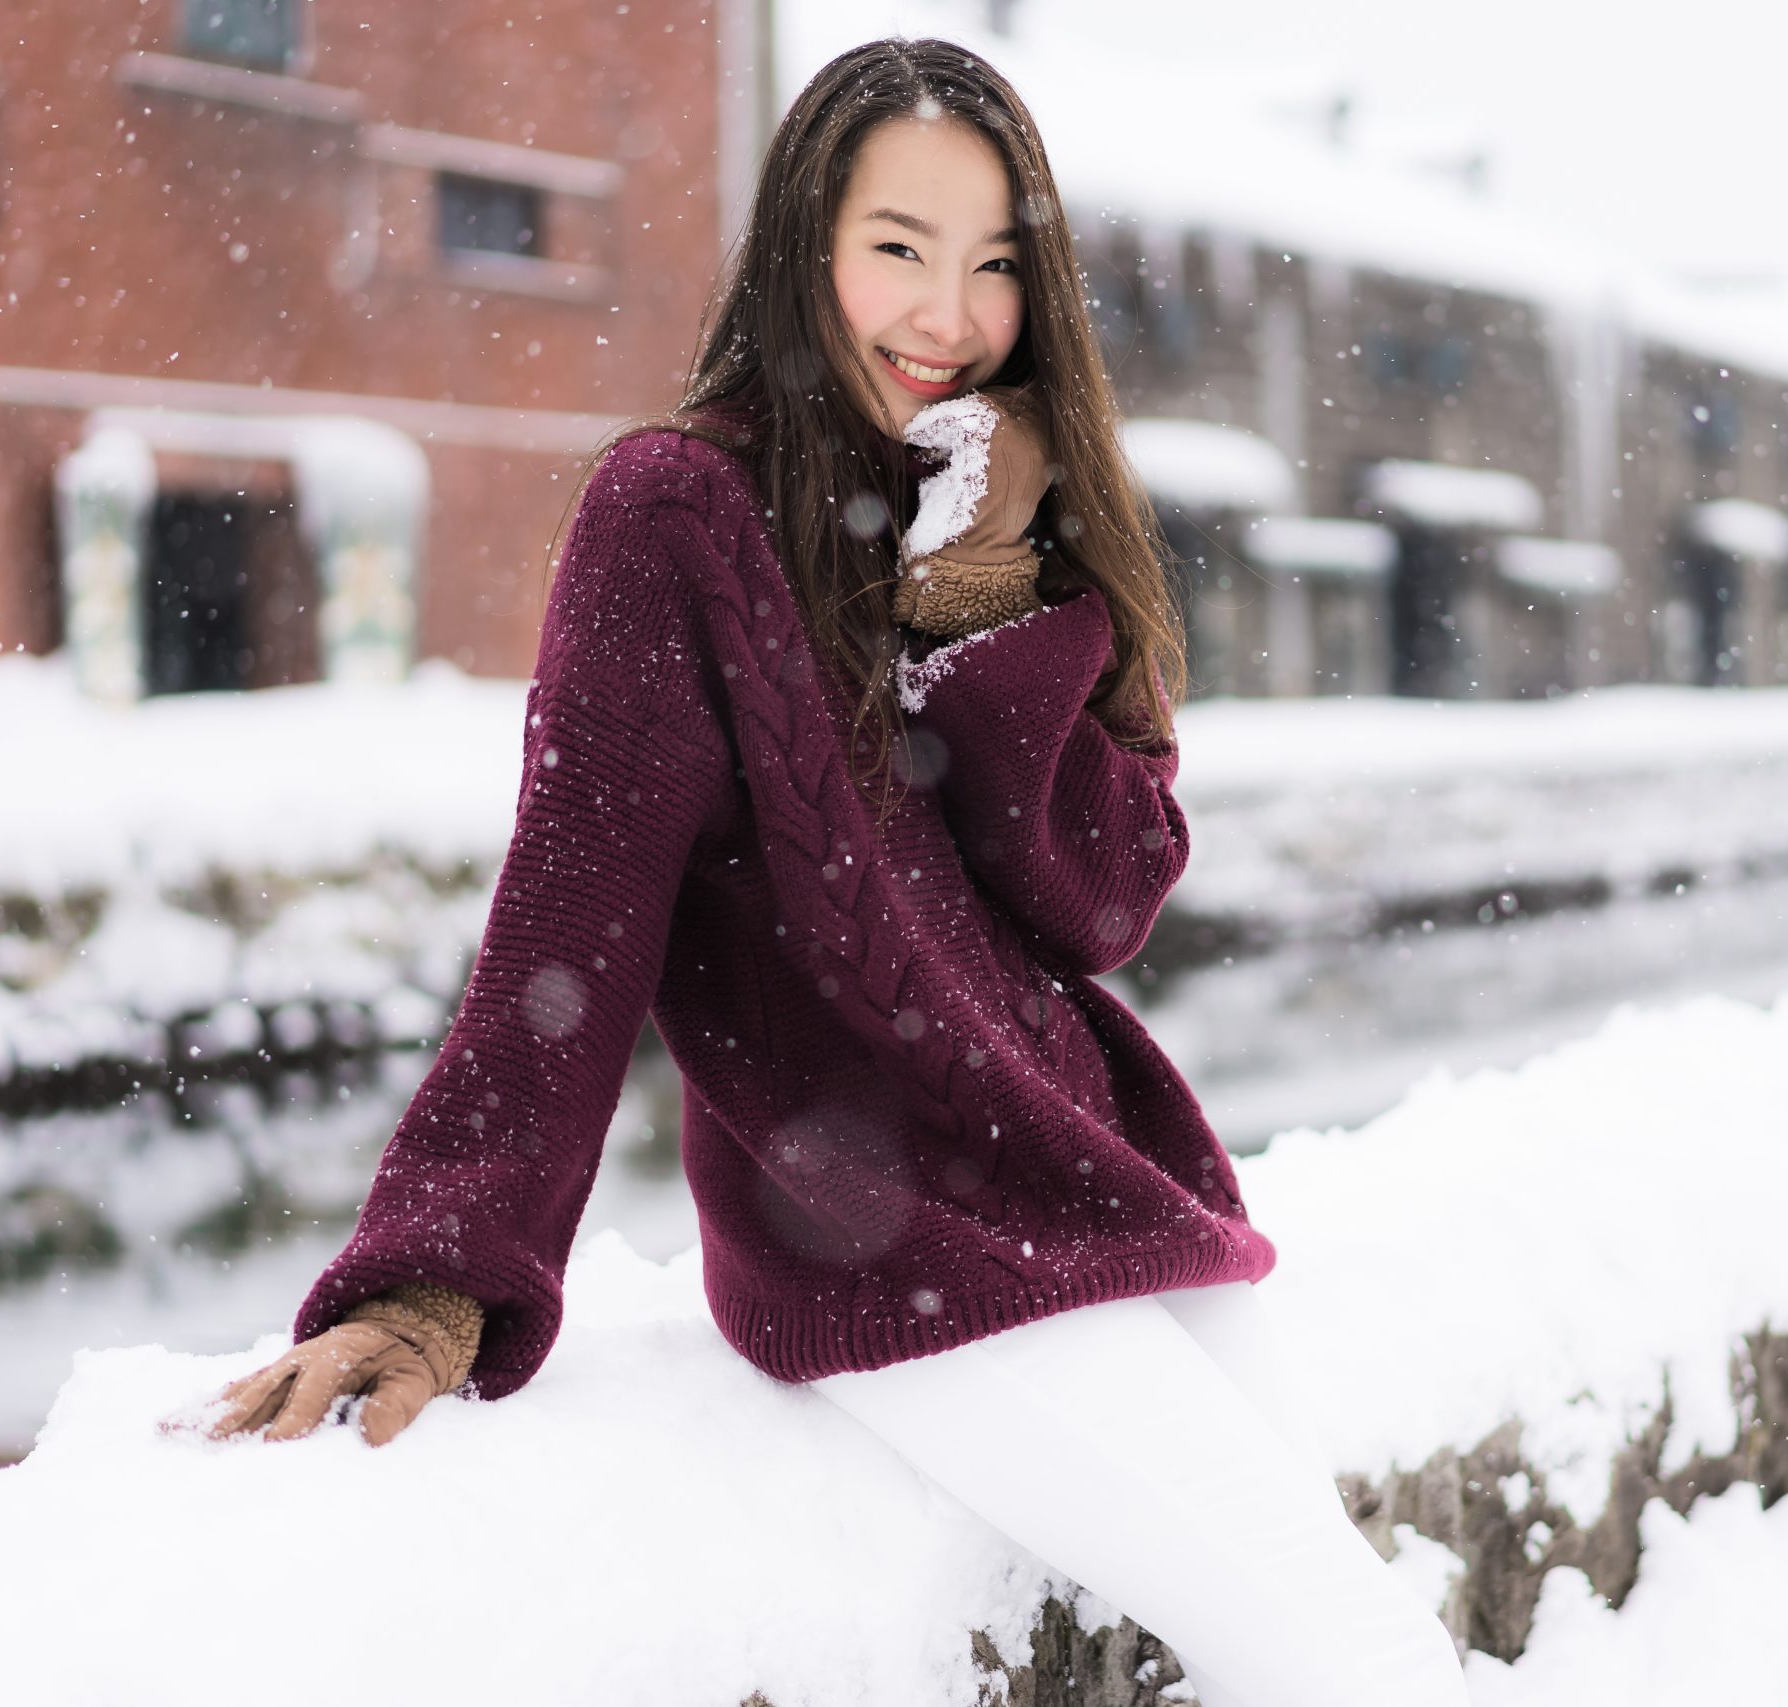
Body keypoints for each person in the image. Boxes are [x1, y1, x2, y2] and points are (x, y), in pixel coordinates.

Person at [194, 37, 1471, 1707]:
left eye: (998, 263)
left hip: (1084, 1172)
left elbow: (1103, 899)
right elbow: (571, 919)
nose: (950, 314)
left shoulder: (1006, 511)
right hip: (880, 1234)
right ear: (806, 244)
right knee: (1355, 1653)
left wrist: (995, 605)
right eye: (899, 249)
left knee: (1333, 1625)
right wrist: (443, 1268)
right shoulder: (674, 514)